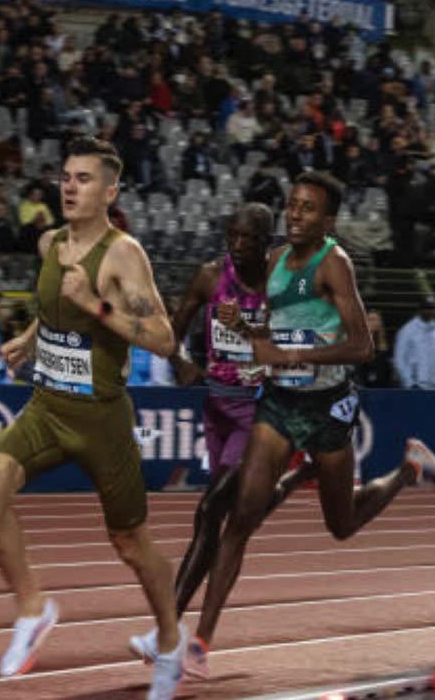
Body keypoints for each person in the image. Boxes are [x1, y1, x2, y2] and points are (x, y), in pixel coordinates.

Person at [185, 171, 435, 678]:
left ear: (327, 220)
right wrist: (249, 330)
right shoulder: (274, 262)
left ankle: (406, 472)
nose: (295, 214)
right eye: (292, 205)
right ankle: (200, 642)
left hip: (329, 407)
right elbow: (272, 321)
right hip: (280, 405)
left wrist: (292, 352)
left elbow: (362, 347)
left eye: (307, 208)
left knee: (341, 525)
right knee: (242, 517)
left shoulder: (335, 263)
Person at [0, 137, 186, 699]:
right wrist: (30, 338)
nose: (69, 186)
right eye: (66, 176)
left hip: (101, 419)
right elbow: (55, 307)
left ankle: (169, 638)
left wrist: (97, 305)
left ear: (110, 192)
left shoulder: (122, 254)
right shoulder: (48, 243)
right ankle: (33, 609)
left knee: (131, 544)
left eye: (83, 179)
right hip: (47, 406)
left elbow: (163, 340)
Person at [128, 203, 316, 674]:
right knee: (225, 521)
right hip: (217, 408)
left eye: (248, 238)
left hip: (261, 412)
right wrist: (180, 363)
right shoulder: (211, 277)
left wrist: (254, 334)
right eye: (231, 235)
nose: (236, 245)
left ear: (266, 241)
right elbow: (174, 326)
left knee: (210, 509)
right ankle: (293, 481)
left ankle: (164, 633)